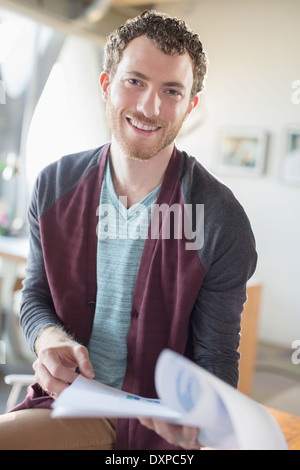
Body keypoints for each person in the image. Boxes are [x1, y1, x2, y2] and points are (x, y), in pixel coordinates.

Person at [0, 10, 257, 450]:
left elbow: (216, 356)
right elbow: (36, 296)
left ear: (190, 105)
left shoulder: (220, 219)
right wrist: (49, 339)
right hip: (67, 406)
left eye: (171, 90)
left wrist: (202, 419)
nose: (148, 107)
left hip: (160, 432)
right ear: (107, 85)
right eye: (135, 81)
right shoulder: (54, 185)